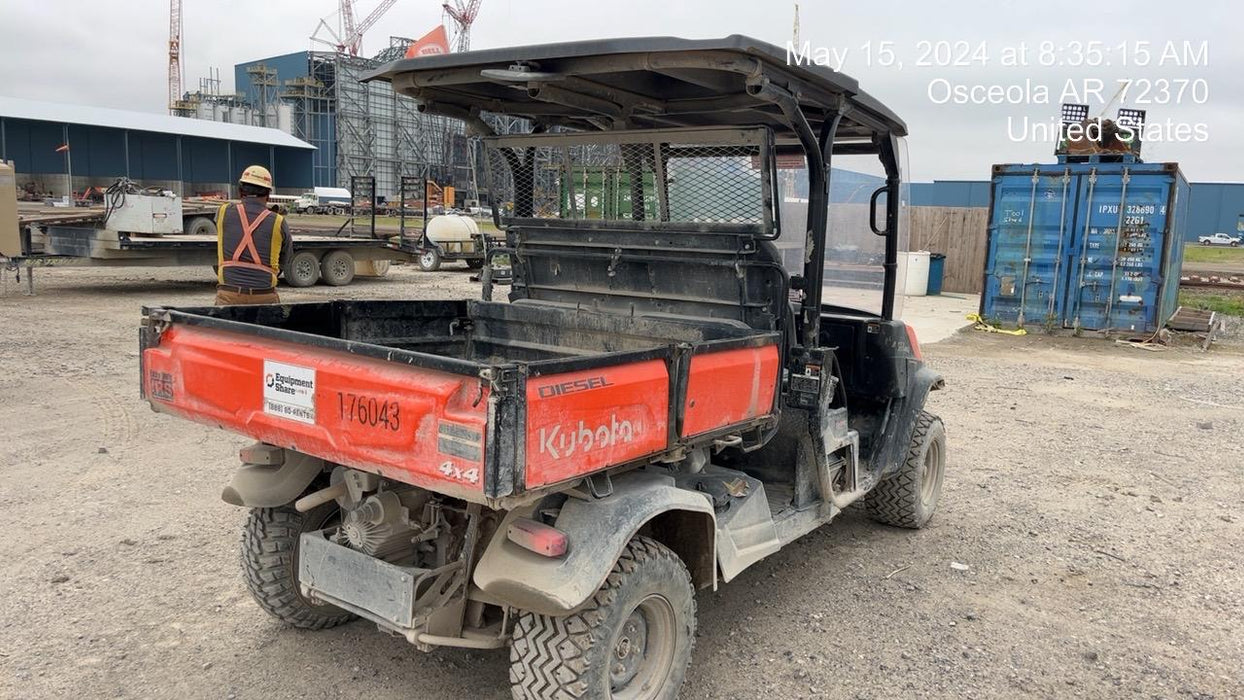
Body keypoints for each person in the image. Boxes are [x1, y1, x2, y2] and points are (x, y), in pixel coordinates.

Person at [215, 165, 292, 305]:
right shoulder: (278, 222)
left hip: (228, 295)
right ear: (268, 195)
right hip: (265, 295)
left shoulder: (223, 212)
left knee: (223, 327)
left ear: (240, 191)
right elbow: (285, 259)